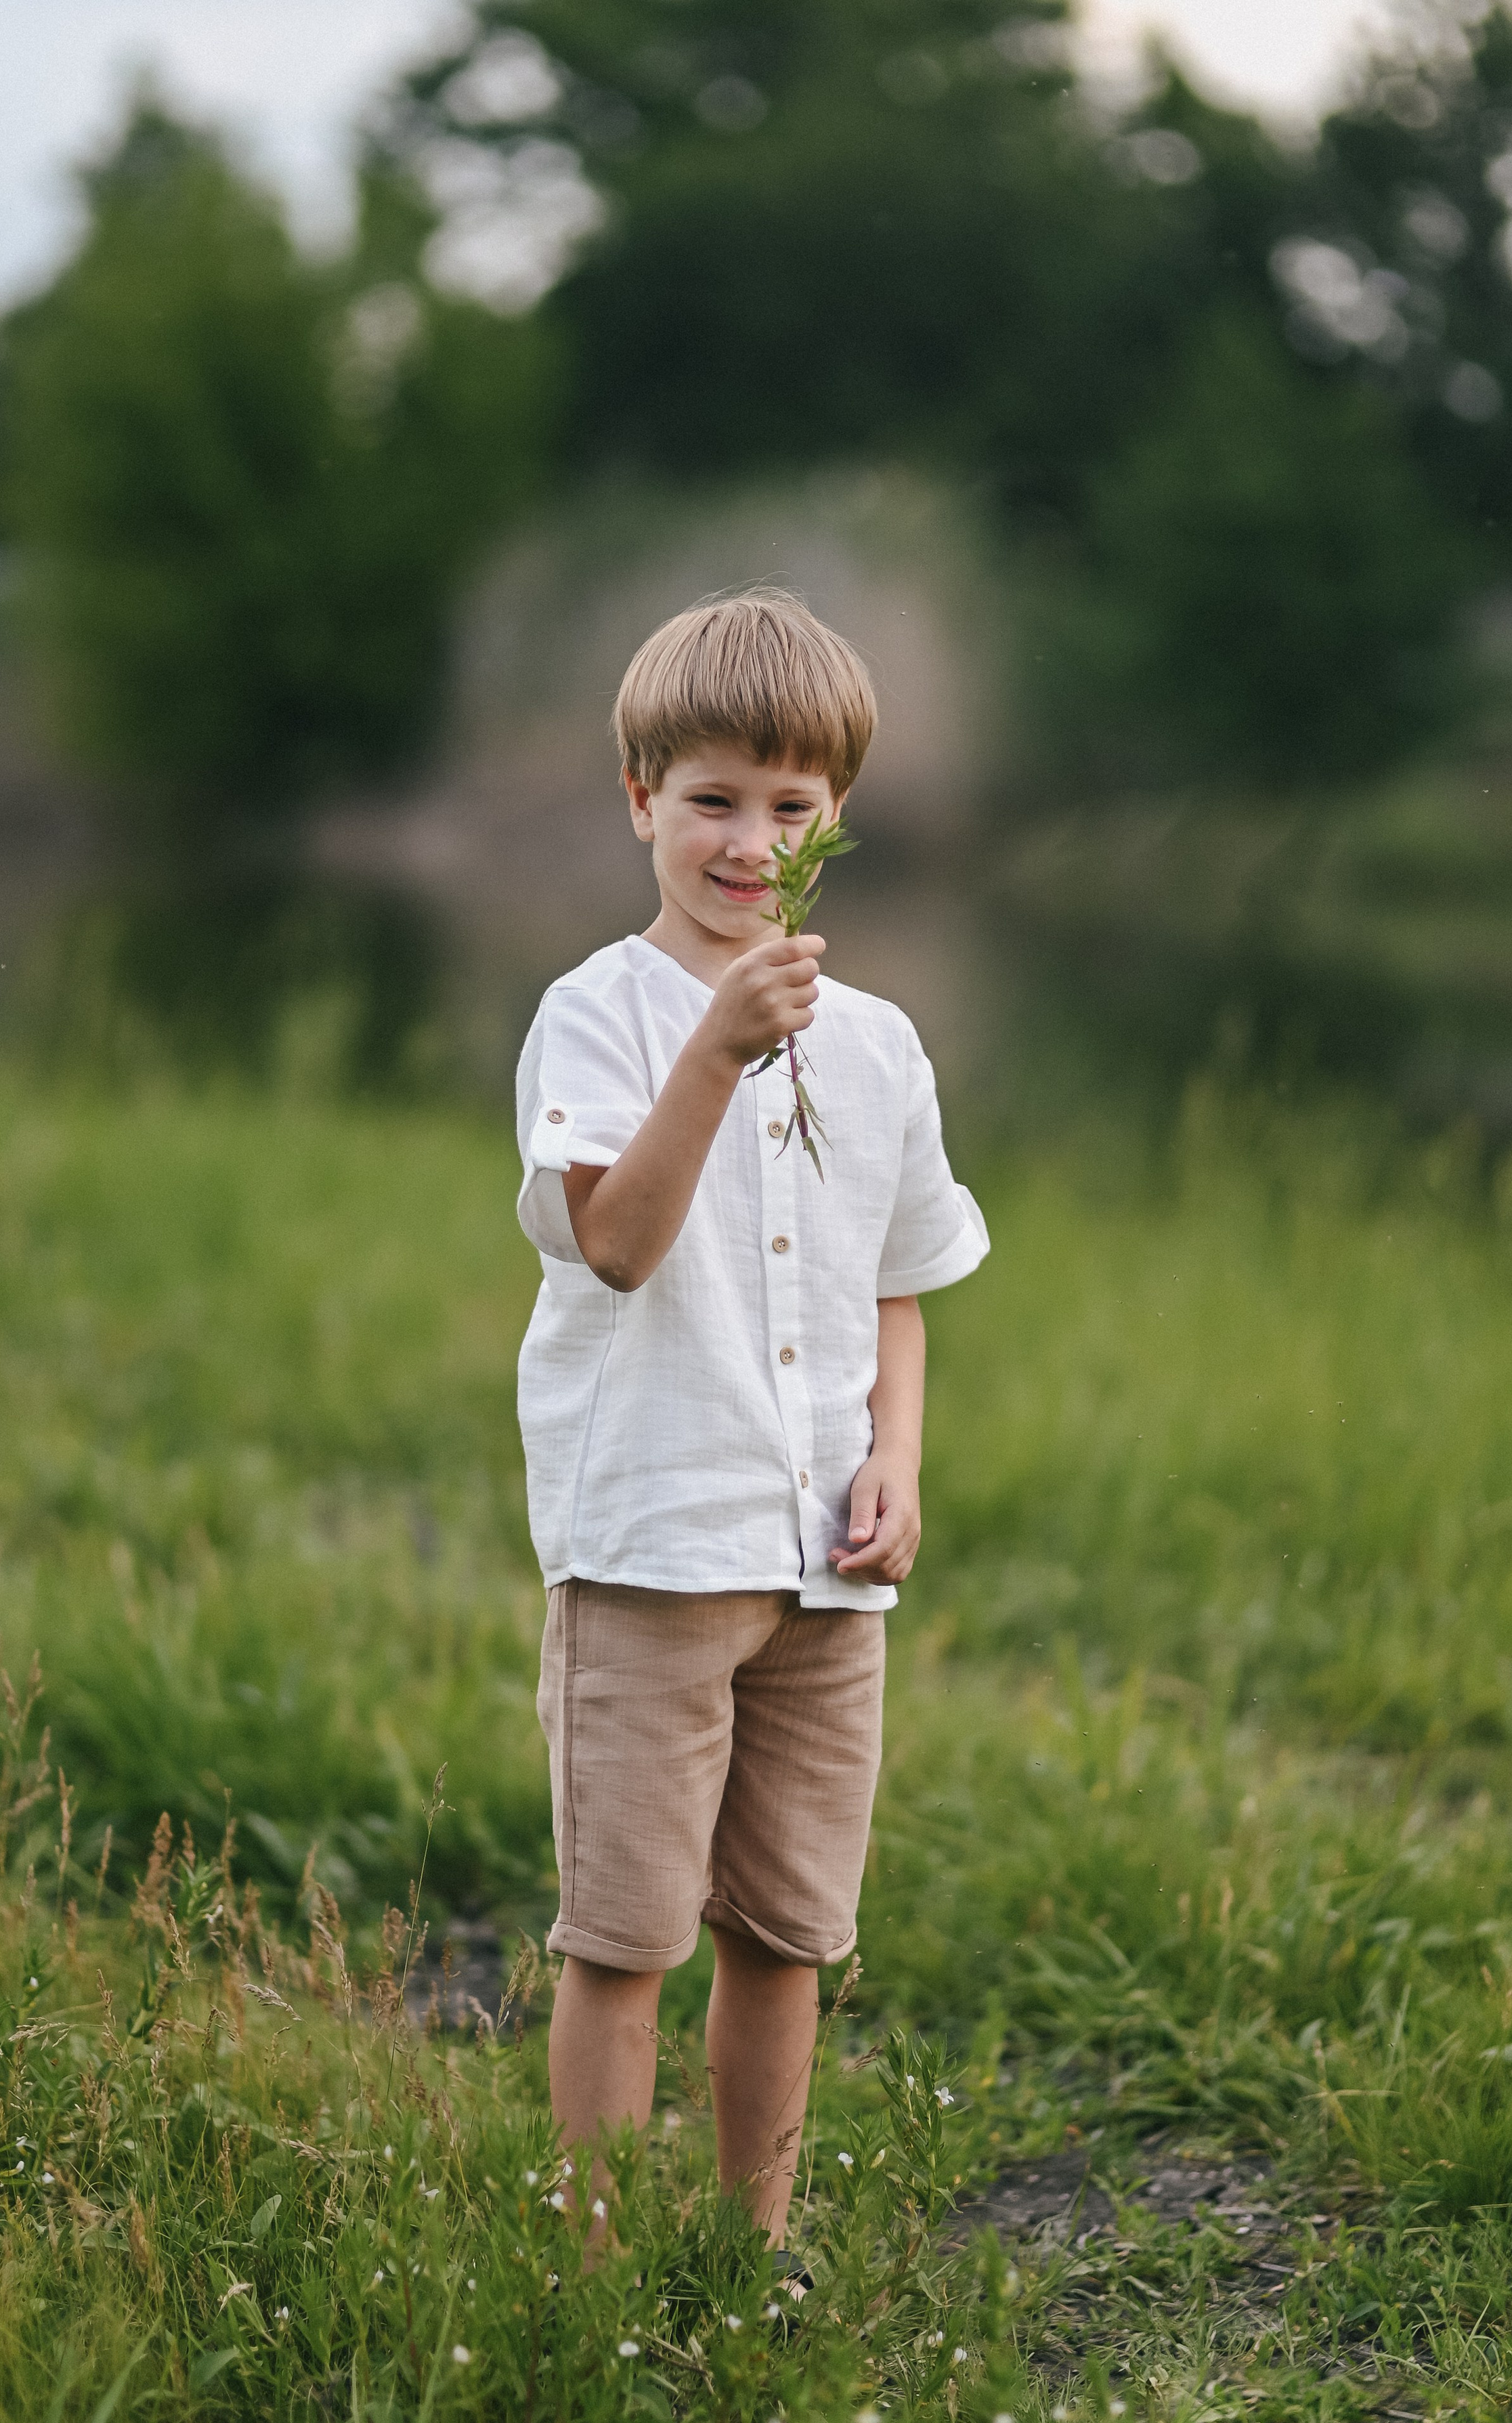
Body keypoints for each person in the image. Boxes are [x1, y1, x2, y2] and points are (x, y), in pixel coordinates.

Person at [513, 589, 989, 2248]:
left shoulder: (876, 1045)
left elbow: (897, 1282)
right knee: (624, 1936)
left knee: (789, 1934)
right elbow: (620, 1243)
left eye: (790, 808)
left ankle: (749, 2250)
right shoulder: (597, 1016)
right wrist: (715, 1049)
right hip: (653, 1545)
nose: (747, 840)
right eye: (712, 798)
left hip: (821, 1573)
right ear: (639, 796)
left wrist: (896, 1455)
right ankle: (581, 2279)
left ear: (835, 822)